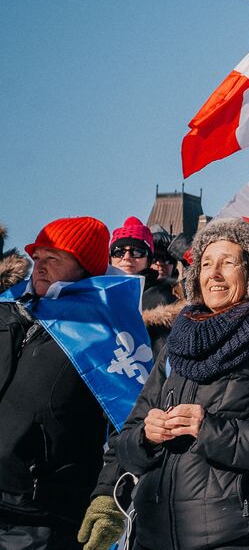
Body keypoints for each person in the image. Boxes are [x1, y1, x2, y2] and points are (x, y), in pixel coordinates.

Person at [97, 217, 249, 550]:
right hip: (152, 536)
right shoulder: (176, 349)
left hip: (239, 537)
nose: (214, 273)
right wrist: (145, 437)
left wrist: (209, 429)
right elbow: (125, 442)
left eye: (227, 263)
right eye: (206, 263)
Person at [1, 217, 146, 550]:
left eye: (53, 259)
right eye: (37, 258)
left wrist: (110, 494)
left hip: (45, 514)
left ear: (85, 266)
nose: (39, 267)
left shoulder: (108, 331)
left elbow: (131, 420)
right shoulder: (9, 310)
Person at [110, 217, 182, 357]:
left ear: (148, 260)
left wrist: (178, 244)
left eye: (137, 252)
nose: (127, 257)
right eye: (119, 251)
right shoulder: (96, 293)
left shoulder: (161, 295)